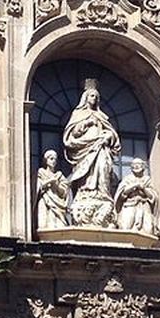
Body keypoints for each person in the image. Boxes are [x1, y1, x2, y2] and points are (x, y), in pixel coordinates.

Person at [63, 79, 121, 225]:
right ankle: (86, 192)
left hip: (101, 148)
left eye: (96, 97)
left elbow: (112, 134)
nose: (94, 99)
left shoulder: (102, 116)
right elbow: (72, 134)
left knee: (102, 168)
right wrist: (86, 123)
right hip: (85, 150)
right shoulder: (78, 114)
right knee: (86, 174)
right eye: (92, 96)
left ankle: (102, 194)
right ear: (86, 97)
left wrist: (108, 136)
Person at [114, 158, 160, 238]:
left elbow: (153, 197)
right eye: (133, 165)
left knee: (148, 230)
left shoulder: (147, 180)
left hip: (144, 206)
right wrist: (135, 185)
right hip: (129, 205)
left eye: (138, 164)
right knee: (126, 228)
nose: (136, 166)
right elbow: (121, 193)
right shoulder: (127, 179)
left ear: (143, 167)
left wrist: (143, 188)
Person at [35, 149, 70, 230]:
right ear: (46, 160)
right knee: (45, 224)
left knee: (59, 226)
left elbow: (64, 192)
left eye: (55, 159)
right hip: (46, 200)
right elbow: (39, 187)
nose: (53, 161)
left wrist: (56, 185)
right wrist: (50, 181)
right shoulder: (41, 172)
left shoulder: (59, 175)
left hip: (58, 203)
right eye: (51, 159)